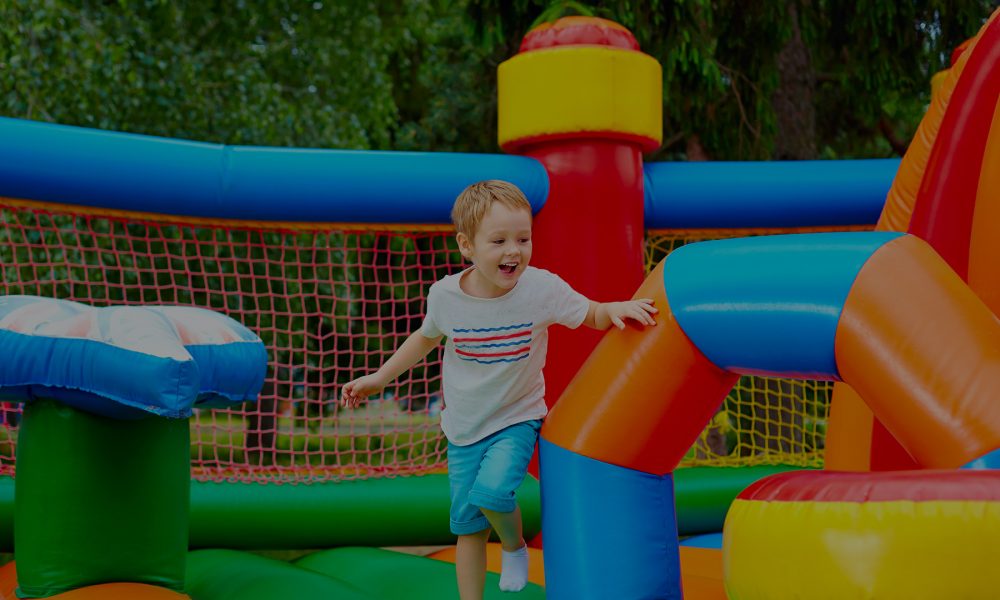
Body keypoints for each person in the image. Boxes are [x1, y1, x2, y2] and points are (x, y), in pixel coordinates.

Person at [340, 180, 657, 598]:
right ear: (467, 246)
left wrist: (614, 308)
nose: (514, 251)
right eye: (500, 241)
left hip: (516, 417)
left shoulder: (540, 289)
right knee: (468, 528)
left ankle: (514, 544)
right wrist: (380, 377)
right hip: (464, 427)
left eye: (523, 239)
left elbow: (589, 313)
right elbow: (424, 338)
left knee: (492, 492)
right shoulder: (446, 296)